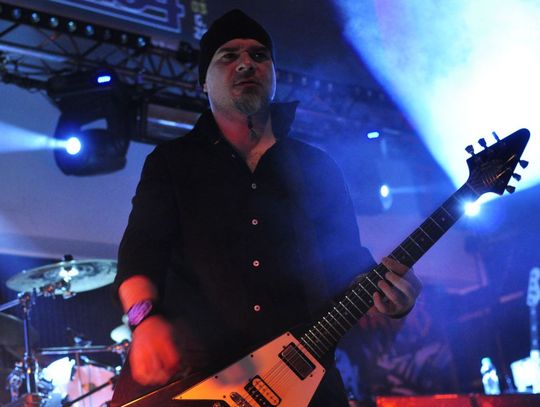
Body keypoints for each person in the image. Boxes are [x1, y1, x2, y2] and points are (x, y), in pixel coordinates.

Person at [111, 9, 422, 406]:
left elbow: (346, 264)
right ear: (203, 82)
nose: (246, 63)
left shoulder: (316, 166)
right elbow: (140, 253)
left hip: (302, 374)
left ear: (273, 74)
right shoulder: (172, 162)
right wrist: (144, 322)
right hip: (201, 378)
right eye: (228, 56)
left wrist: (393, 297)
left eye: (259, 55)